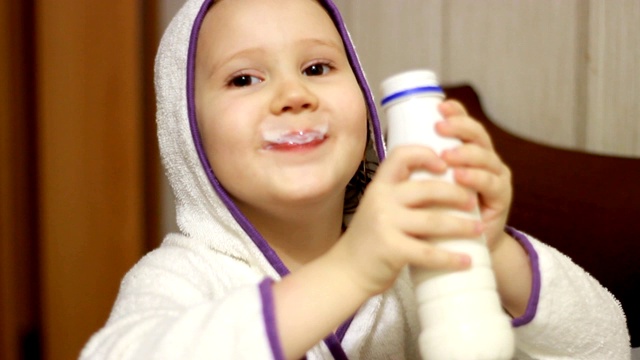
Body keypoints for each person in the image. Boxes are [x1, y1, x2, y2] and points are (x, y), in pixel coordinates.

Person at [81, 0, 631, 359]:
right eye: (244, 77)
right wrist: (352, 270)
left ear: (366, 104)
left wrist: (492, 250)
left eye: (317, 68)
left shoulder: (419, 259)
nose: (294, 95)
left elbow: (604, 344)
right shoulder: (181, 278)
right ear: (187, 131)